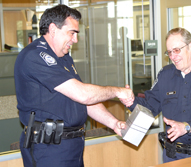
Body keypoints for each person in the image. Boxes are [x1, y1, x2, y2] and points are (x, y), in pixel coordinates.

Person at [14, 4, 134, 167]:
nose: (75, 39)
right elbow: (83, 94)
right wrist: (118, 91)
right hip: (49, 148)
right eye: (72, 33)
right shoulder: (35, 55)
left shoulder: (63, 57)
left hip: (71, 146)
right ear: (53, 29)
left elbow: (84, 101)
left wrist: (114, 123)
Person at [125, 27, 191, 162]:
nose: (173, 57)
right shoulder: (165, 75)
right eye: (169, 52)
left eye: (177, 50)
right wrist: (131, 101)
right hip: (174, 156)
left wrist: (187, 126)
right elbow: (151, 106)